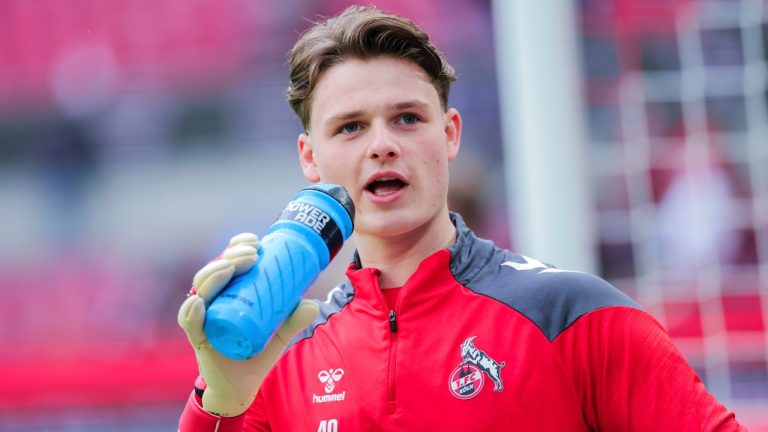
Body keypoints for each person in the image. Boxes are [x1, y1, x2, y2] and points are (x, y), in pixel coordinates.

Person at [178, 5, 745, 431]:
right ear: (310, 158)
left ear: (449, 134)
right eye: (350, 127)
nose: (382, 146)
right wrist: (217, 405)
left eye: (406, 118)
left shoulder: (573, 316)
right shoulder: (280, 360)